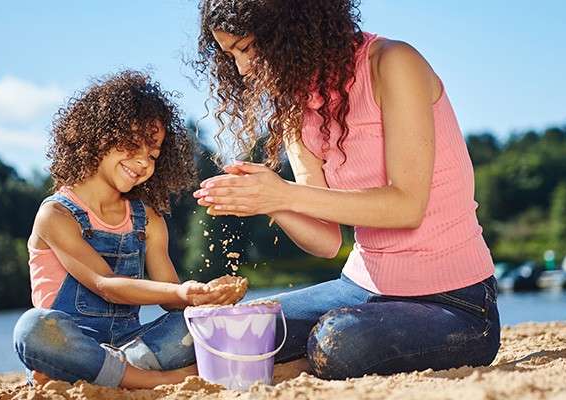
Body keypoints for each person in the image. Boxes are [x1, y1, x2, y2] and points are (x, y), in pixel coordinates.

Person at [193, 0, 501, 379]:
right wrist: (267, 201)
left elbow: (407, 206)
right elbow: (324, 241)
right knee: (222, 325)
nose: (241, 68)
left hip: (456, 304)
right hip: (359, 289)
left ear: (291, 28)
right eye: (230, 55)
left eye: (247, 47)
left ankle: (262, 367)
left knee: (337, 342)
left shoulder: (392, 62)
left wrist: (282, 194)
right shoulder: (294, 106)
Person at [12, 70, 245, 389]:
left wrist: (205, 297)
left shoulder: (147, 219)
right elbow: (105, 284)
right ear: (99, 136)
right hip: (70, 345)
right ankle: (151, 380)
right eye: (132, 144)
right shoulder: (55, 214)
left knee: (198, 322)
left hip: (129, 348)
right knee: (34, 329)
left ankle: (109, 376)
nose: (143, 162)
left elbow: (172, 298)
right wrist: (182, 292)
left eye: (152, 154)